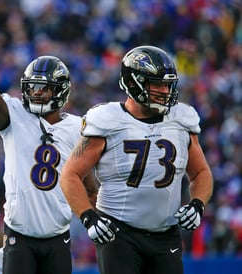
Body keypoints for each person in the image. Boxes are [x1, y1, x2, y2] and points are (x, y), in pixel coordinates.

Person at [0, 9, 98, 274]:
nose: (36, 93)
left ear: (61, 91)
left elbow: (88, 184)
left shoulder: (78, 127)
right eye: (33, 87)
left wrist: (99, 219)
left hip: (58, 236)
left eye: (44, 88)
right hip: (19, 236)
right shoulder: (15, 115)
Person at [60, 45, 214, 274]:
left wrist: (197, 204)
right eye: (157, 84)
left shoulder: (181, 119)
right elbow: (70, 174)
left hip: (165, 234)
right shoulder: (108, 120)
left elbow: (201, 172)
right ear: (133, 83)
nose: (165, 91)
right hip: (118, 232)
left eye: (167, 84)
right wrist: (89, 217)